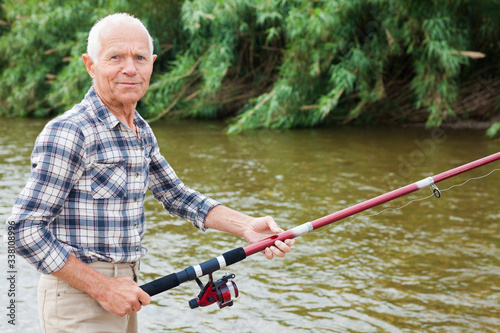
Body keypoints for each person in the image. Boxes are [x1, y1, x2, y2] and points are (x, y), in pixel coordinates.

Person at [5, 13, 294, 333]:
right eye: (116, 57)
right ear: (90, 65)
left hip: (128, 291)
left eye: (139, 58)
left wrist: (247, 226)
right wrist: (102, 287)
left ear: (152, 64)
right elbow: (23, 229)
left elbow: (176, 195)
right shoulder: (71, 131)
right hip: (81, 298)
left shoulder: (140, 129)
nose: (130, 68)